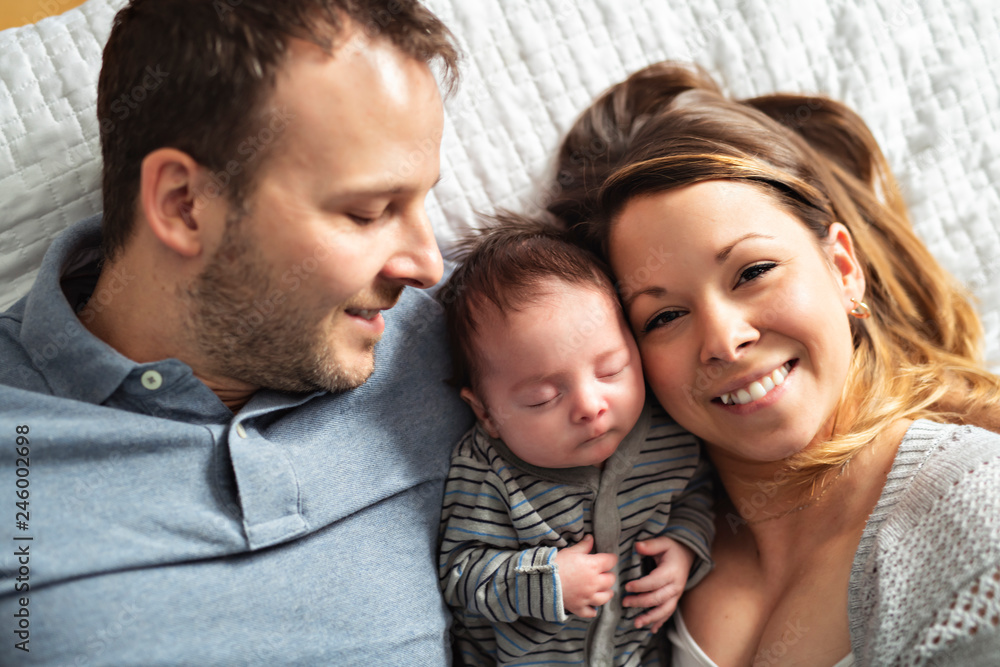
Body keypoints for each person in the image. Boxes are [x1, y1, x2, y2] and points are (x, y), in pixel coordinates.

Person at [0, 1, 475, 664]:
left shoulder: (482, 334)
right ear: (184, 205)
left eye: (422, 200)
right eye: (368, 211)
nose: (426, 263)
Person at [548, 62, 1000, 665]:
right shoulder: (644, 551)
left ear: (843, 269)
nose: (723, 340)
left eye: (753, 273)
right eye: (663, 317)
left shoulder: (975, 508)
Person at [436, 217, 715, 666]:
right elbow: (460, 574)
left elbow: (697, 495)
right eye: (542, 397)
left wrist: (683, 548)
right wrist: (548, 580)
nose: (590, 405)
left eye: (611, 370)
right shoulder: (490, 472)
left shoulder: (667, 432)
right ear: (487, 413)